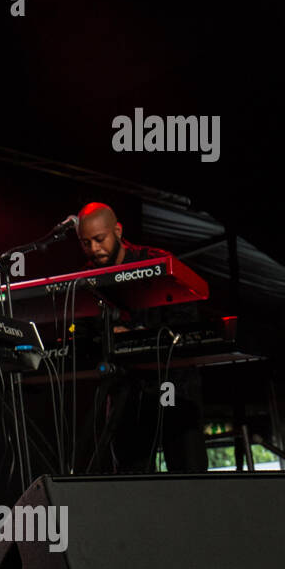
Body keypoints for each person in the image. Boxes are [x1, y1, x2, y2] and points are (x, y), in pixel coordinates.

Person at [71, 202, 206, 475]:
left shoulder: (156, 262)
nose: (94, 249)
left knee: (190, 474)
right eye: (86, 243)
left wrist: (138, 335)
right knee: (131, 479)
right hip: (125, 392)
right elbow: (81, 333)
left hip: (174, 385)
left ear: (118, 231)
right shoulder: (85, 280)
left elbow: (186, 319)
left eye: (100, 239)